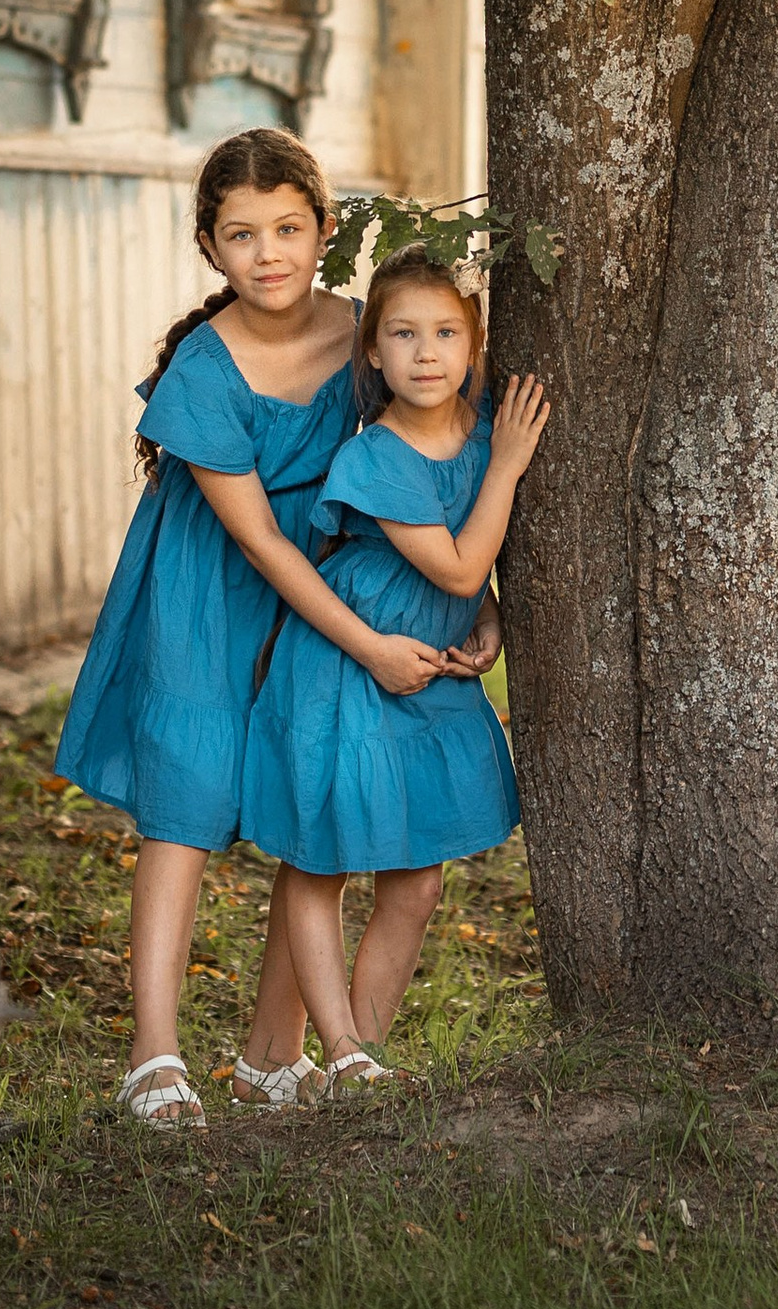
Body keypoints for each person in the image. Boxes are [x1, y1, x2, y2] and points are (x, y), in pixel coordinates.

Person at [55, 131, 494, 1129]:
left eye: (289, 228)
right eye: (242, 233)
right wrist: (367, 645)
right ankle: (152, 1054)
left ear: (325, 230)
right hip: (210, 584)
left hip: (333, 576)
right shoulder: (207, 368)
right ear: (208, 245)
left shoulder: (365, 334)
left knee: (311, 795)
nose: (268, 254)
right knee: (188, 793)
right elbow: (254, 535)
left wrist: (473, 601)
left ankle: (271, 1057)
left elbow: (420, 463)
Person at [242, 250, 544, 1078]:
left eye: (446, 332)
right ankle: (339, 1048)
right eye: (403, 334)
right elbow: (456, 564)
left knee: (416, 882)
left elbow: (467, 574)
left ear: (473, 344)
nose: (426, 352)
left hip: (429, 671)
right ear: (372, 351)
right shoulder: (375, 455)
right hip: (345, 666)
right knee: (321, 861)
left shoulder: (482, 434)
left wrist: (488, 616)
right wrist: (509, 466)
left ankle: (362, 1059)